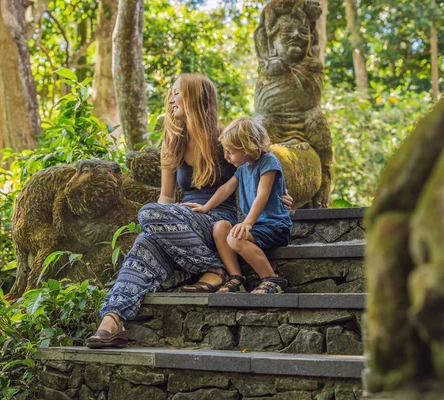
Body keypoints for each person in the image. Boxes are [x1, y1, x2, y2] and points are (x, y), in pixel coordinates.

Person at [86, 74, 293, 348]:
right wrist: (163, 229)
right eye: (170, 94)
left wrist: (280, 195)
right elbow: (166, 197)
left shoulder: (224, 139)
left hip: (221, 219)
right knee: (144, 244)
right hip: (181, 223)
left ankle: (216, 267)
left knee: (148, 215)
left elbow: (258, 166)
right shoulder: (172, 144)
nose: (171, 100)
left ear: (197, 98)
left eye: (178, 94)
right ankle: (112, 319)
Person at [184, 117, 291, 294]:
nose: (226, 157)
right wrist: (206, 207)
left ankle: (272, 279)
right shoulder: (242, 168)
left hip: (274, 226)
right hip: (257, 227)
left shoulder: (268, 162)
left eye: (230, 152)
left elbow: (262, 196)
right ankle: (236, 278)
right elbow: (226, 188)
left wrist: (247, 223)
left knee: (235, 238)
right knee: (220, 227)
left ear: (247, 147)